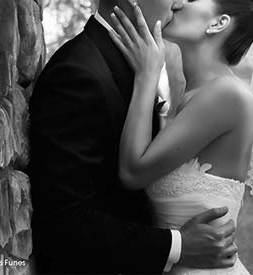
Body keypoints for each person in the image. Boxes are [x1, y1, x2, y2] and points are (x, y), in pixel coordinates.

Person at [28, 0, 238, 273]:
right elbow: (63, 221)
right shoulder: (78, 74)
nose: (180, 1)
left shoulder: (131, 64)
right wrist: (177, 246)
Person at [109, 0, 253, 274]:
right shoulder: (192, 97)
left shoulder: (226, 93)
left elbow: (132, 172)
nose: (178, 2)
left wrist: (147, 75)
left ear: (218, 22)